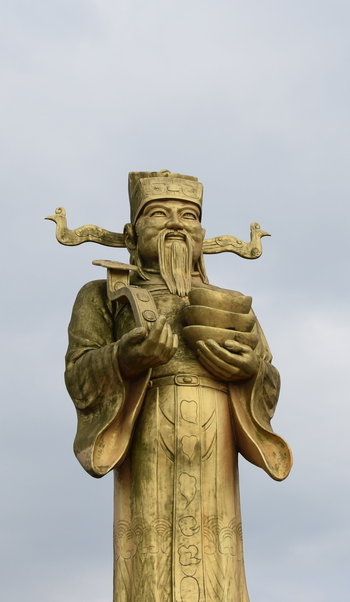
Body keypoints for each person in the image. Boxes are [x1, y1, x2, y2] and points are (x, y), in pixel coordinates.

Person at [64, 171, 292, 602]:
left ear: (203, 233)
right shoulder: (106, 294)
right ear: (133, 232)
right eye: (159, 214)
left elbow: (270, 378)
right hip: (147, 427)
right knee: (150, 554)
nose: (176, 225)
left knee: (217, 553)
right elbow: (78, 371)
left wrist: (250, 372)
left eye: (189, 216)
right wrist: (124, 358)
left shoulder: (230, 305)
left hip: (217, 438)